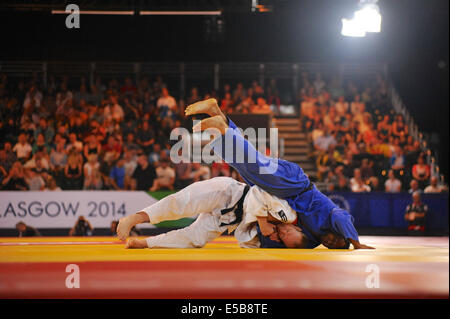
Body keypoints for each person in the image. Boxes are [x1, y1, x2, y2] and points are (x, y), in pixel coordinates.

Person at [186, 98, 374, 249]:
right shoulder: (334, 218)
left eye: (332, 246)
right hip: (295, 184)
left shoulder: (311, 241)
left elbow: (284, 240)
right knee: (254, 165)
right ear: (341, 234)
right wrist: (355, 243)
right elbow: (343, 218)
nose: (331, 242)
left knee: (246, 167)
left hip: (284, 189)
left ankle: (216, 113)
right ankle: (222, 127)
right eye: (337, 240)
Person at [118, 177, 310, 249]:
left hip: (227, 219)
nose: (284, 234)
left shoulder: (273, 234)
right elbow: (259, 191)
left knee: (195, 239)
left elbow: (243, 240)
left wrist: (260, 237)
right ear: (298, 229)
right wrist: (262, 222)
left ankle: (144, 243)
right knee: (181, 203)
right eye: (289, 233)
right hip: (227, 193)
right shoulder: (288, 213)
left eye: (285, 239)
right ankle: (133, 219)